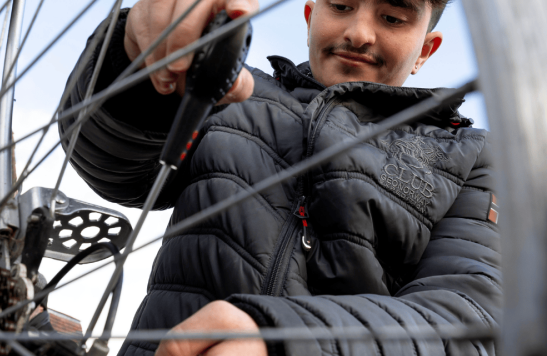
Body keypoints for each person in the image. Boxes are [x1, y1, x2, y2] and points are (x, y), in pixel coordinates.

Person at [59, 0, 501, 355]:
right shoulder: (236, 94)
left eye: (391, 17)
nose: (360, 32)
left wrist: (283, 338)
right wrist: (136, 59)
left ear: (425, 49)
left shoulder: (471, 157)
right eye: (341, 6)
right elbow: (114, 167)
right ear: (311, 16)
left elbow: (469, 317)